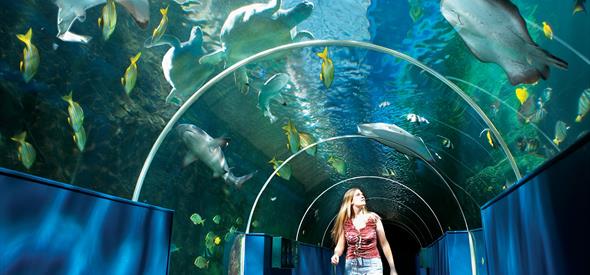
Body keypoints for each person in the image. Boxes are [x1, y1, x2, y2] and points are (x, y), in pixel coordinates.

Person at [330, 188, 398, 275]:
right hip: (352, 266)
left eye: (362, 194)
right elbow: (340, 246)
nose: (362, 196)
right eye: (358, 195)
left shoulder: (373, 218)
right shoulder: (346, 222)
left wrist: (393, 268)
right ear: (351, 201)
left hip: (373, 265)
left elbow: (384, 244)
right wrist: (336, 255)